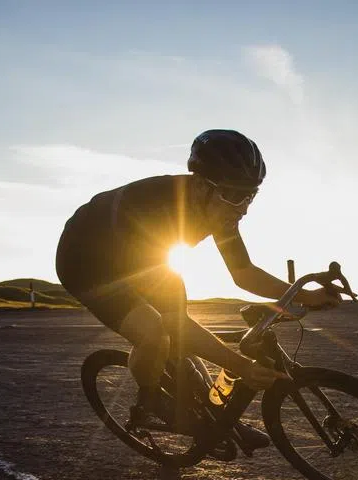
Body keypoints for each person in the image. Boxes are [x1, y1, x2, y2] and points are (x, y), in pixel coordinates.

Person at [55, 129, 341, 450]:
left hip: (147, 259)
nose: (243, 208)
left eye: (251, 195)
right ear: (202, 184)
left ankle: (213, 417)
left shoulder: (220, 208)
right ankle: (150, 400)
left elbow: (243, 273)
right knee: (155, 333)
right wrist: (242, 366)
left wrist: (304, 293)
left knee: (182, 336)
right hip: (87, 262)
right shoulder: (155, 211)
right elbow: (175, 325)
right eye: (235, 195)